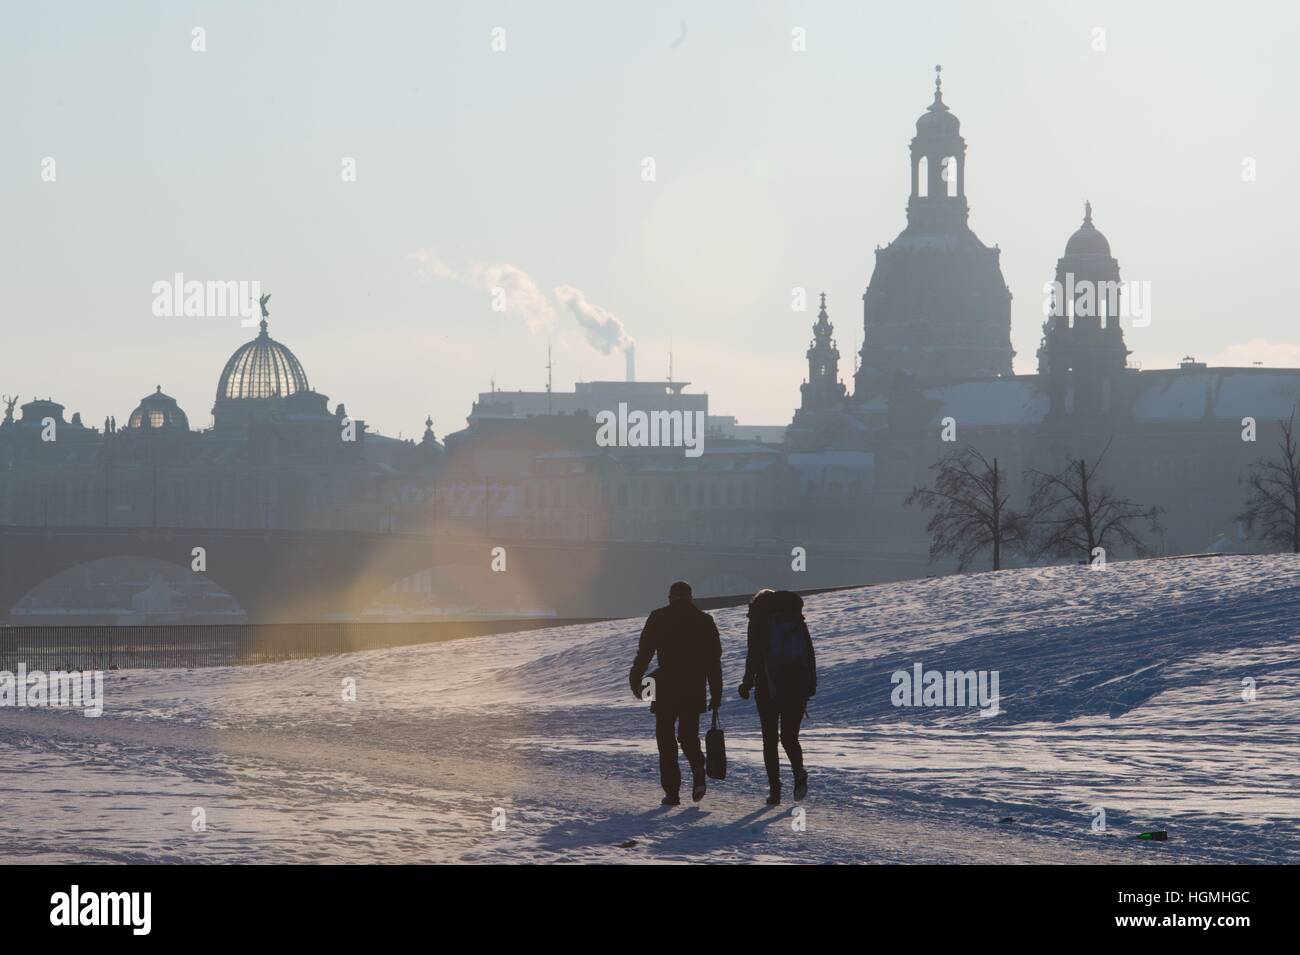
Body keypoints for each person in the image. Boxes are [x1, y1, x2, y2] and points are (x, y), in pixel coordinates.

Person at [629, 580, 723, 806]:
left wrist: (636, 680)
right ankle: (698, 767)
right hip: (694, 686)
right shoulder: (704, 621)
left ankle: (672, 793)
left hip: (665, 686)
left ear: (670, 597)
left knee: (665, 738)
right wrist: (716, 692)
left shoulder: (658, 617)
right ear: (691, 598)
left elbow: (645, 652)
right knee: (688, 735)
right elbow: (713, 661)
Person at [738, 589, 815, 805]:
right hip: (797, 686)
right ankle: (799, 773)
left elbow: (753, 654)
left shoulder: (759, 620)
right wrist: (810, 684)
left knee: (769, 740)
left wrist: (747, 682)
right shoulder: (795, 619)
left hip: (768, 687)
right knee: (790, 737)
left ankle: (775, 791)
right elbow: (809, 651)